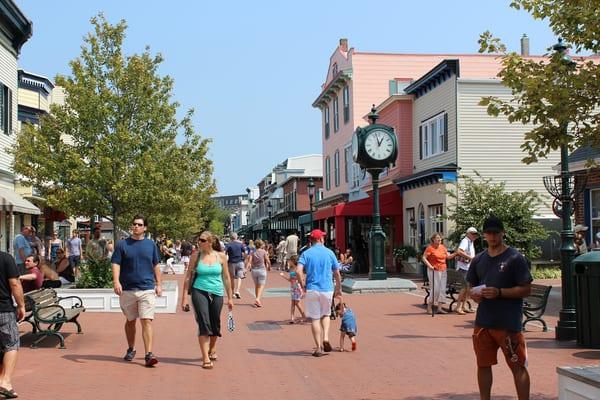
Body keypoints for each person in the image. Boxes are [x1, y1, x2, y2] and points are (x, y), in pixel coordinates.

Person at [467, 216, 532, 400]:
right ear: (483, 235)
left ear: (503, 233)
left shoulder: (515, 258)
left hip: (508, 324)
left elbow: (526, 289)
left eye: (496, 233)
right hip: (483, 323)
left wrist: (500, 292)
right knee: (483, 365)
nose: (493, 236)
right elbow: (470, 286)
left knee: (518, 365)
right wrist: (474, 295)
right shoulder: (478, 259)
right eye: (489, 233)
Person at [111, 215, 162, 367]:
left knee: (146, 320)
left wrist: (159, 284)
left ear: (145, 228)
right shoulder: (122, 245)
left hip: (146, 288)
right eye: (134, 224)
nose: (136, 227)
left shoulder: (151, 245)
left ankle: (148, 354)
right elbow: (115, 263)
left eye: (139, 225)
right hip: (127, 289)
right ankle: (131, 348)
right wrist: (116, 281)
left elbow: (156, 265)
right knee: (130, 321)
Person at [181, 231, 233, 370]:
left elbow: (226, 277)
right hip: (199, 291)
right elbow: (187, 277)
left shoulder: (221, 256)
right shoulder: (195, 256)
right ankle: (205, 357)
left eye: (203, 240)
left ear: (210, 242)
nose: (200, 242)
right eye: (199, 240)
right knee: (204, 323)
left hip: (217, 292)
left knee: (215, 323)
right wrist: (184, 298)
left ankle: (212, 348)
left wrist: (230, 297)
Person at [297, 229, 342, 357]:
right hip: (327, 288)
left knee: (315, 318)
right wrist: (338, 287)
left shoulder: (306, 254)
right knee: (326, 314)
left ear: (311, 240)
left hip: (312, 288)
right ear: (321, 239)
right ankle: (326, 337)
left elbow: (299, 271)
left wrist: (302, 285)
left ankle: (318, 348)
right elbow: (337, 273)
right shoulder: (329, 253)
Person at [0, 249, 25, 399]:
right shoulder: (5, 258)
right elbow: (15, 284)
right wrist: (21, 305)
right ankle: (5, 382)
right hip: (3, 309)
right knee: (11, 344)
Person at [422, 233, 457, 314]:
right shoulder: (430, 248)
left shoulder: (443, 247)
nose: (439, 239)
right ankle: (429, 307)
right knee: (435, 289)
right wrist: (430, 265)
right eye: (437, 238)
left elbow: (448, 257)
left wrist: (456, 253)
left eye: (440, 238)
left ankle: (439, 308)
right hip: (434, 270)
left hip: (443, 270)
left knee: (442, 289)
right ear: (433, 239)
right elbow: (424, 258)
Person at [455, 227, 479, 314]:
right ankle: (458, 307)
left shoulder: (470, 242)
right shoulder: (465, 241)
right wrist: (470, 258)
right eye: (472, 234)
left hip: (468, 267)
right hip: (464, 268)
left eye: (475, 234)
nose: (474, 235)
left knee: (468, 287)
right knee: (464, 287)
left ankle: (464, 306)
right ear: (468, 233)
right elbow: (459, 251)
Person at [279, 255, 305, 324]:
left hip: (298, 287)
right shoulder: (291, 269)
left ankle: (303, 315)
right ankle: (292, 318)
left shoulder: (298, 269)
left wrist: (302, 288)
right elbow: (290, 280)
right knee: (293, 303)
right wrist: (283, 276)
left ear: (293, 261)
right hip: (293, 287)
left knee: (297, 303)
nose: (289, 262)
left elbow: (301, 278)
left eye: (290, 261)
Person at [246, 239, 271, 307]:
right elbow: (268, 260)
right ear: (261, 244)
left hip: (254, 271)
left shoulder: (252, 252)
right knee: (261, 286)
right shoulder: (264, 251)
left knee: (256, 286)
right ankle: (257, 298)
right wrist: (269, 266)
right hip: (262, 270)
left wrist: (246, 269)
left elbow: (249, 262)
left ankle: (257, 301)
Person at [225, 233, 246, 299]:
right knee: (240, 277)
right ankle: (238, 291)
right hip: (240, 262)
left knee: (232, 278)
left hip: (231, 263)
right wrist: (244, 260)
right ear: (236, 237)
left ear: (231, 238)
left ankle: (233, 292)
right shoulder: (240, 244)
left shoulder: (228, 245)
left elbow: (224, 253)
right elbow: (245, 253)